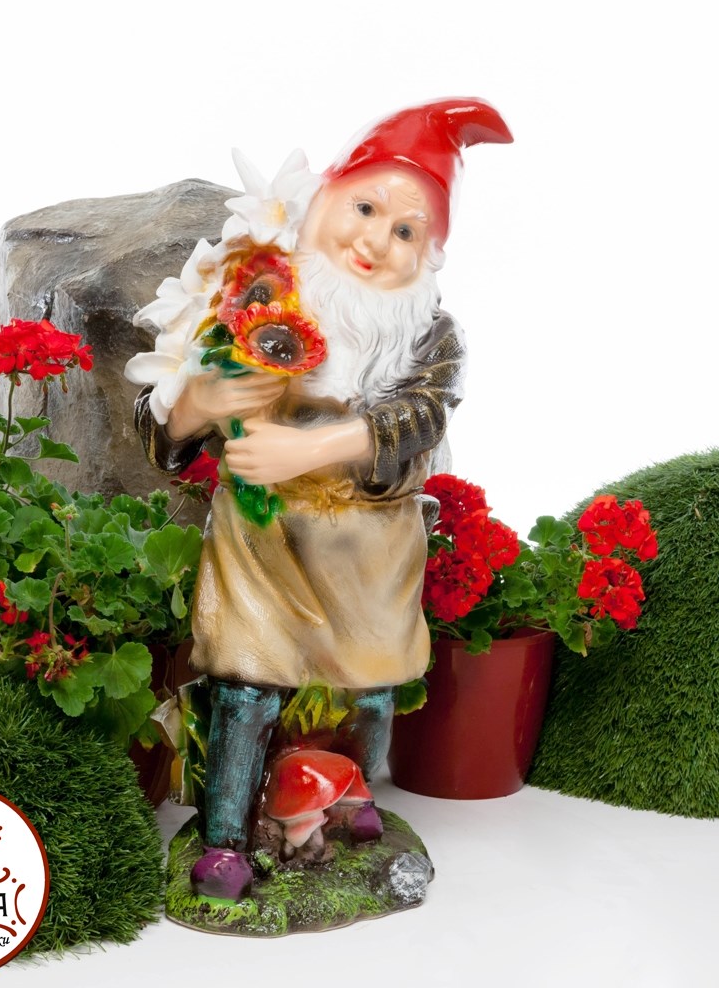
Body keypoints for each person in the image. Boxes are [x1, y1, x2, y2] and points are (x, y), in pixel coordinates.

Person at [134, 98, 512, 899]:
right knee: (247, 683)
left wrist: (310, 448)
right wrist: (201, 400)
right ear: (326, 197)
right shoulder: (258, 292)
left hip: (371, 541)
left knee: (369, 685)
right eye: (364, 208)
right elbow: (158, 417)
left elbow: (420, 416)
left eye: (405, 231)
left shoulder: (429, 336)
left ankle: (348, 805)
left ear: (430, 255)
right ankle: (227, 838)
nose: (374, 241)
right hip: (263, 539)